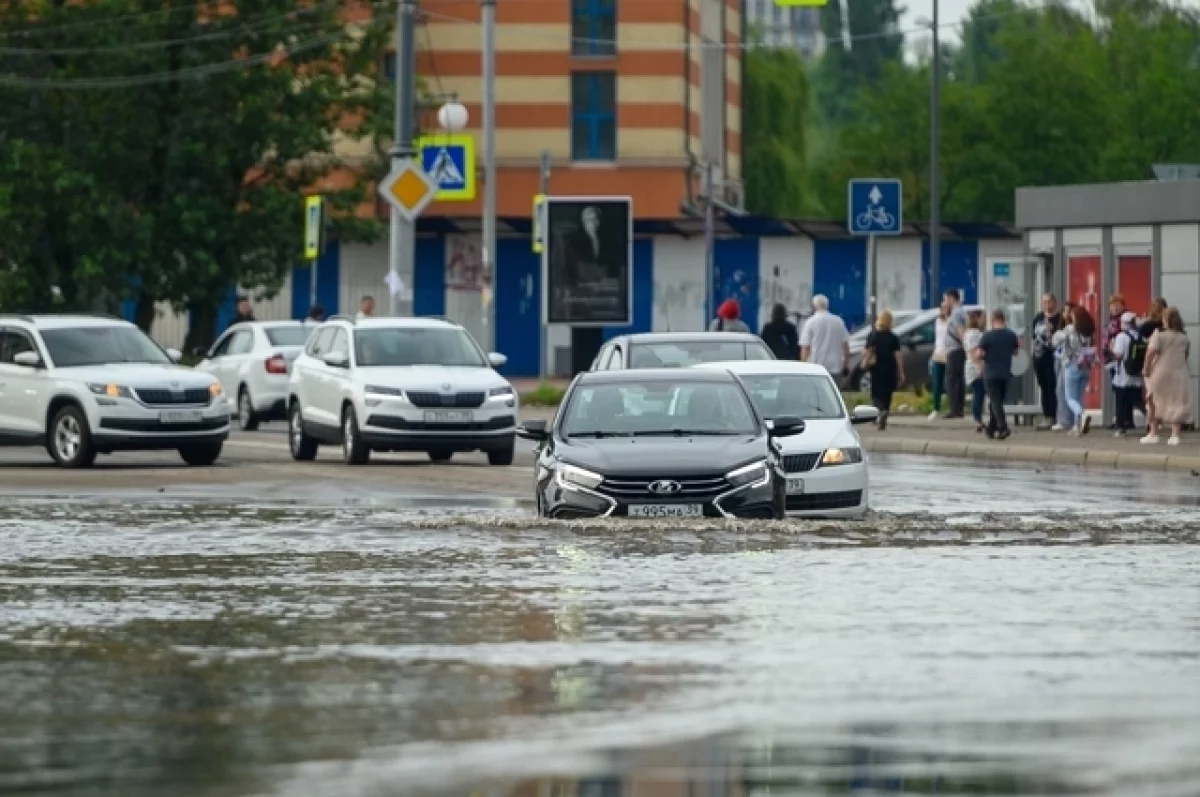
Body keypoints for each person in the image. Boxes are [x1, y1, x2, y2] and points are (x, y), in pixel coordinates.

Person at [1142, 306, 1192, 446]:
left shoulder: (1158, 335)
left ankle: (1153, 433)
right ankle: (1175, 435)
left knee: (1154, 402)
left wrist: (1146, 369)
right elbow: (1186, 355)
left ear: (1166, 320)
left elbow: (1150, 353)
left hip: (1159, 372)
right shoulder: (1184, 338)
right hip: (1179, 373)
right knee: (1176, 402)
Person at [975, 309, 1020, 440]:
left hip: (990, 373)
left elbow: (979, 354)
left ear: (992, 320)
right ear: (1004, 320)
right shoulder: (1011, 335)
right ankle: (991, 428)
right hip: (1005, 373)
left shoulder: (987, 336)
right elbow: (1016, 352)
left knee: (995, 402)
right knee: (996, 402)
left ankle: (1003, 427)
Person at [1053, 304, 1098, 436]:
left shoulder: (1070, 329)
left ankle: (1082, 415)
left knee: (1070, 398)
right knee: (1079, 397)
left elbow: (1056, 340)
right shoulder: (1089, 331)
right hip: (1086, 366)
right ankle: (1077, 426)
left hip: (1072, 365)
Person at [862, 309, 904, 431]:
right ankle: (885, 411)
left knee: (876, 393)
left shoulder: (873, 335)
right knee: (887, 393)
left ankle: (879, 411)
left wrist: (864, 358)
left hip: (876, 368)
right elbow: (898, 356)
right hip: (890, 368)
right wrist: (901, 372)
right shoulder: (893, 337)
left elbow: (866, 351)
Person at [1109, 311, 1144, 437]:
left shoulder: (1121, 337)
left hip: (1123, 374)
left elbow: (1118, 355)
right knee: (1139, 401)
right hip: (1136, 374)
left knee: (1121, 402)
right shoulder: (1140, 336)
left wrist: (1111, 349)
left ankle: (1121, 428)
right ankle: (1153, 421)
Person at [1030, 293, 1062, 430]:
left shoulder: (1059, 318)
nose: (1046, 304)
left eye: (1049, 301)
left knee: (1052, 386)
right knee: (1043, 386)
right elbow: (1034, 335)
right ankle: (1046, 415)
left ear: (1054, 303)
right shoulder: (1038, 317)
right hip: (1039, 357)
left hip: (1052, 356)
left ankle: (1054, 415)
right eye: (1044, 302)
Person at [799, 294, 849, 378]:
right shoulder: (838, 321)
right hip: (835, 366)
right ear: (827, 305)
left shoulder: (810, 322)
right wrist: (845, 365)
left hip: (815, 366)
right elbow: (845, 346)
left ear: (814, 306)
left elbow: (805, 347)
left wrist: (803, 365)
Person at [941, 289, 968, 419]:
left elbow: (960, 332)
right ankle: (958, 408)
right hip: (957, 350)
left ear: (952, 298)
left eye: (945, 299)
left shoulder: (957, 313)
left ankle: (954, 409)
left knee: (951, 380)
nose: (944, 302)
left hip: (955, 350)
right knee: (958, 379)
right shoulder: (960, 312)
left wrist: (966, 346)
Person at [963, 309, 987, 432]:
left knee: (979, 393)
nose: (985, 320)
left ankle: (978, 418)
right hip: (975, 367)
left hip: (974, 366)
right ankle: (977, 419)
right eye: (983, 317)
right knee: (979, 393)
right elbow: (973, 352)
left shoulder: (970, 333)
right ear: (977, 319)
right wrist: (979, 367)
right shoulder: (974, 334)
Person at [928, 302, 949, 420]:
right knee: (937, 383)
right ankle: (936, 408)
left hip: (949, 353)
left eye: (946, 308)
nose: (943, 310)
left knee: (950, 383)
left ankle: (952, 407)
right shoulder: (937, 321)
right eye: (942, 308)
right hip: (938, 354)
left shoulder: (951, 321)